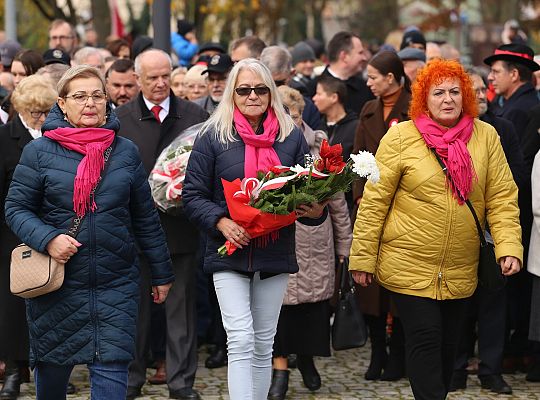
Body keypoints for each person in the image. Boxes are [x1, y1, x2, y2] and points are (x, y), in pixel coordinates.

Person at [349, 59, 523, 400]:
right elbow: (374, 202)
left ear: (467, 97)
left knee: (448, 347)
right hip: (408, 263)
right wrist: (362, 259)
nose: (447, 99)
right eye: (438, 92)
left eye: (455, 92)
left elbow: (502, 197)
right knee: (425, 339)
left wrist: (508, 247)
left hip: (460, 266)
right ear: (423, 100)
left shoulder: (486, 137)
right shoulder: (401, 137)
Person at [4, 65, 174, 399]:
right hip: (57, 285)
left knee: (112, 373)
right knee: (52, 380)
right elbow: (15, 208)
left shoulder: (124, 151)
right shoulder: (39, 152)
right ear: (63, 104)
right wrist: (48, 239)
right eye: (79, 96)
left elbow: (145, 217)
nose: (90, 103)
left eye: (97, 95)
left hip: (116, 284)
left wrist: (161, 272)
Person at [182, 58, 327, 400]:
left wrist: (314, 208)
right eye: (244, 89)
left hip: (274, 250)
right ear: (232, 93)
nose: (252, 96)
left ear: (271, 92)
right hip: (229, 251)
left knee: (264, 341)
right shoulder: (213, 135)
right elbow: (192, 194)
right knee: (241, 338)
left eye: (260, 89)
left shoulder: (290, 137)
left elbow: (302, 194)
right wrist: (221, 221)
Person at [115, 49, 208, 400]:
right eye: (151, 77)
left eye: (165, 76)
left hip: (180, 228)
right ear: (138, 79)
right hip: (133, 230)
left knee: (181, 309)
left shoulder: (194, 115)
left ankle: (181, 383)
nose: (159, 83)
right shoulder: (120, 119)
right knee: (133, 309)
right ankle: (129, 380)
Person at [267, 85, 352, 400]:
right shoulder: (267, 146)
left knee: (311, 311)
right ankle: (280, 371)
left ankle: (305, 359)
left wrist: (345, 248)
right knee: (278, 310)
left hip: (316, 242)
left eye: (297, 114)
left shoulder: (320, 149)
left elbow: (339, 203)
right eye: (284, 114)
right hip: (279, 239)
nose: (291, 120)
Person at [449, 69, 525, 395]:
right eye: (473, 90)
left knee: (493, 305)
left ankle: (491, 370)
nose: (480, 95)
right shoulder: (446, 133)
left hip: (492, 233)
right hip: (457, 233)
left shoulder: (500, 129)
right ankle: (455, 369)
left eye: (483, 89)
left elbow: (515, 178)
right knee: (459, 306)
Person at [352, 50, 411, 382]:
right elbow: (359, 157)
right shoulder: (369, 109)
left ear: (391, 78)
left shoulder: (414, 107)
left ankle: (398, 355)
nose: (368, 82)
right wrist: (360, 197)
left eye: (373, 76)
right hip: (372, 207)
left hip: (404, 207)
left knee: (399, 287)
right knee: (370, 286)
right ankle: (377, 352)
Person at [0, 75, 57, 400]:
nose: (40, 117)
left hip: (50, 233)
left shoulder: (56, 135)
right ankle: (13, 371)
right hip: (11, 238)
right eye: (34, 111)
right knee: (12, 307)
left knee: (50, 303)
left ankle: (49, 370)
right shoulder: (5, 138)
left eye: (45, 111)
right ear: (22, 108)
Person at [484, 43, 540, 372]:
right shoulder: (512, 104)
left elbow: (512, 167)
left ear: (514, 74)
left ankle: (514, 350)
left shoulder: (520, 111)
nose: (491, 77)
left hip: (517, 210)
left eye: (496, 72)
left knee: (514, 290)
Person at [259, 46, 321, 131]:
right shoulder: (251, 104)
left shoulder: (307, 107)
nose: (273, 90)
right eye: (267, 84)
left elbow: (318, 141)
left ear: (292, 74)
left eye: (278, 83)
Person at [317, 31, 373, 114]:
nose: (364, 58)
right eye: (360, 53)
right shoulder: (313, 88)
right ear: (344, 56)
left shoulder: (365, 88)